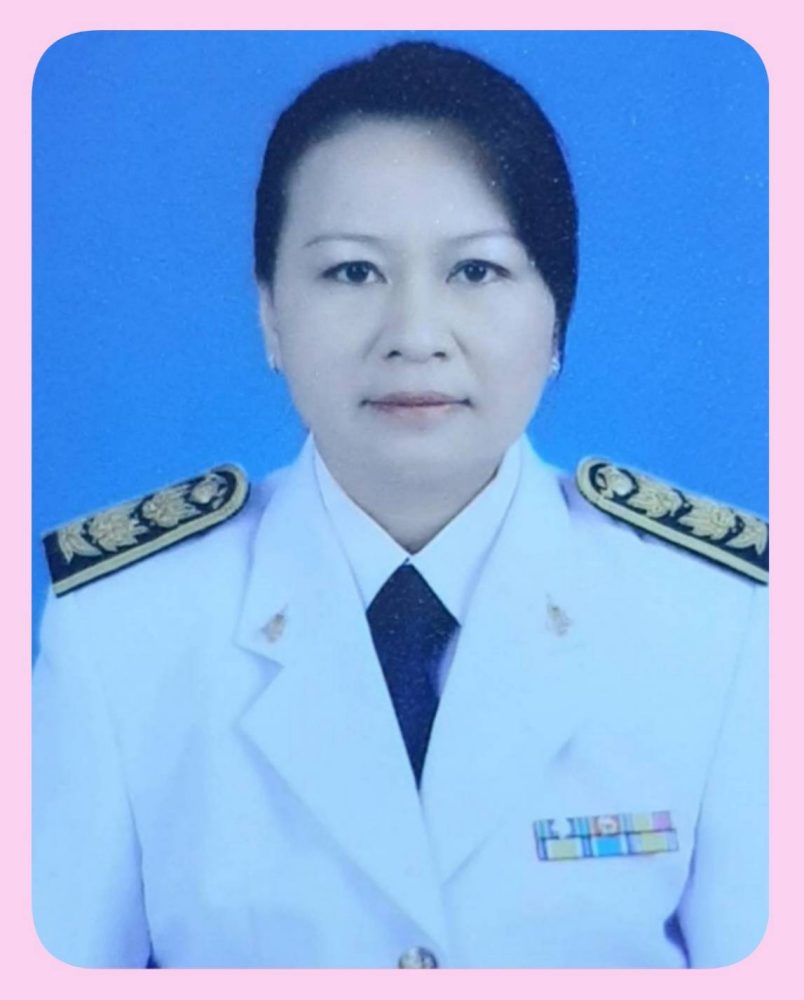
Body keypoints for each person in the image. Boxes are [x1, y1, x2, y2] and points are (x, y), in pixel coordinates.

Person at [33, 40, 768, 969]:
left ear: (557, 318)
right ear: (269, 314)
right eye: (352, 272)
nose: (415, 336)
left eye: (477, 271)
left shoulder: (717, 625)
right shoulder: (121, 633)